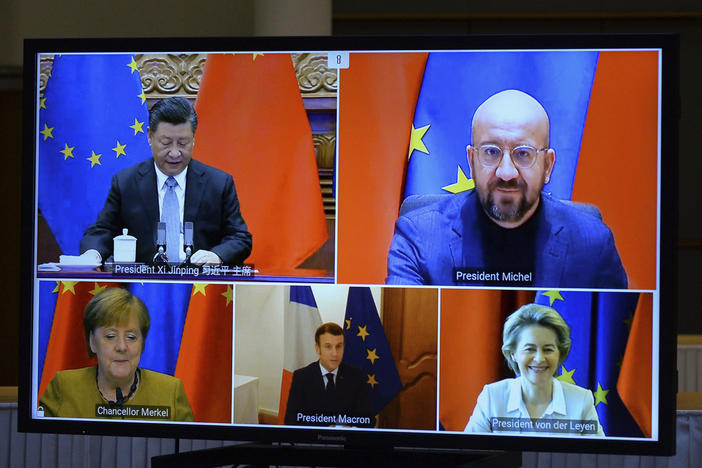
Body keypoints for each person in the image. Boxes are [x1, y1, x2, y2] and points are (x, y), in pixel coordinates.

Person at [386, 89, 627, 289]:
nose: (506, 172)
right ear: (471, 161)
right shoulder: (419, 237)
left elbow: (617, 340)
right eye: (491, 152)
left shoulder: (593, 244)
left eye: (523, 154)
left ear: (548, 165)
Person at [80, 96, 252, 266]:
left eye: (183, 143)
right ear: (149, 136)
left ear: (194, 139)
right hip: (143, 287)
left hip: (199, 286)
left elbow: (240, 238)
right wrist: (93, 254)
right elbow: (103, 231)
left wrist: (217, 255)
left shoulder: (218, 183)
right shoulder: (126, 182)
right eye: (166, 143)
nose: (175, 153)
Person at [39, 287, 194, 421]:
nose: (121, 347)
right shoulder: (64, 387)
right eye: (110, 336)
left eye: (131, 337)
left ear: (142, 344)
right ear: (92, 341)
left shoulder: (170, 392)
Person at [464, 303, 604, 436]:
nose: (539, 359)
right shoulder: (492, 397)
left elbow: (598, 458)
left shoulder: (582, 400)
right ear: (513, 353)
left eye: (548, 349)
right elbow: (471, 454)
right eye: (530, 349)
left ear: (560, 353)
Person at [284, 322, 374, 427]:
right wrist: (324, 430)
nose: (335, 353)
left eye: (339, 346)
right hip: (313, 441)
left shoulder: (357, 376)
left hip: (347, 440)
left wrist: (350, 429)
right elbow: (291, 420)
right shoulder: (302, 377)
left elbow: (368, 420)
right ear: (317, 348)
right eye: (328, 347)